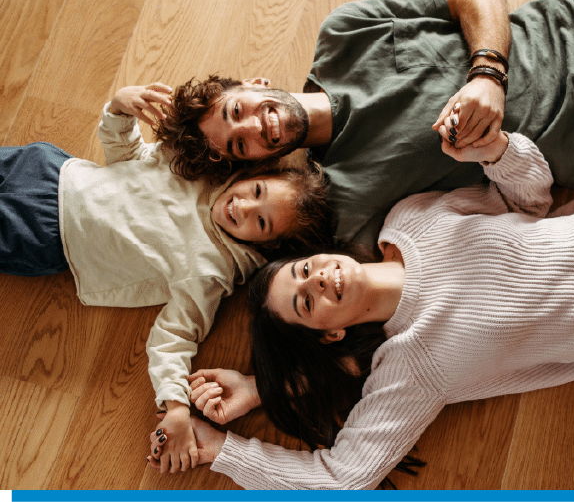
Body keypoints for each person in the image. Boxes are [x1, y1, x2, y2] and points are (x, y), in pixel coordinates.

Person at [150, 124, 574, 488]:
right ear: (329, 333)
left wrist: (496, 149)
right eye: (307, 304)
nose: (320, 282)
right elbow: (342, 480)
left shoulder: (410, 218)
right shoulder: (410, 371)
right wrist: (222, 448)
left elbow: (531, 198)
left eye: (305, 271)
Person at [155, 0, 574, 247]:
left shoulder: (342, 34)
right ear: (254, 163)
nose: (254, 127)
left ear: (252, 84)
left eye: (237, 111)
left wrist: (487, 73)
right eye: (239, 147)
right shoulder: (344, 202)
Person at [0, 83, 334, 475]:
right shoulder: (199, 170)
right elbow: (127, 158)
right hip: (49, 170)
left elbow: (174, 340)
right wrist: (119, 110)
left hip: (44, 236)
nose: (242, 207)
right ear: (255, 174)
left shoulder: (211, 273)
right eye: (256, 190)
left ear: (269, 245)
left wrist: (175, 406)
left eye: (260, 221)